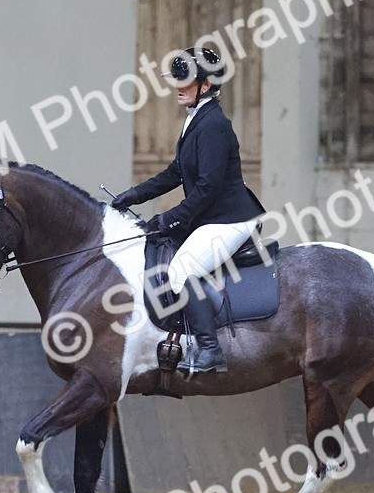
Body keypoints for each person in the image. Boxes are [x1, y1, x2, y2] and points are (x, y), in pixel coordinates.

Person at [112, 46, 265, 375]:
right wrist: (134, 195)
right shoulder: (196, 118)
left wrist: (169, 219)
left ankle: (210, 351)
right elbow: (176, 172)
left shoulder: (213, 126)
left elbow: (208, 188)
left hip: (230, 219)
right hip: (212, 215)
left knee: (182, 271)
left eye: (185, 80)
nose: (178, 87)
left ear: (205, 86)